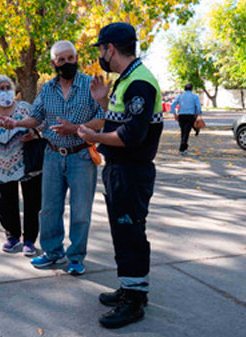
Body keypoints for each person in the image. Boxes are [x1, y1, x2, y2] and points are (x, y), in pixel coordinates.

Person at [77, 22, 163, 329]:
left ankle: (135, 301)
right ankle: (130, 287)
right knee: (122, 232)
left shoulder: (140, 82)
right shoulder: (125, 80)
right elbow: (118, 122)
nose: (100, 54)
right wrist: (103, 102)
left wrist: (93, 136)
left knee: (130, 233)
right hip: (119, 171)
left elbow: (130, 135)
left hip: (131, 171)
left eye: (100, 48)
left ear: (110, 48)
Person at [0, 41, 108, 276]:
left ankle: (76, 258)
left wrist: (76, 128)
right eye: (61, 60)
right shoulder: (47, 90)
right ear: (53, 63)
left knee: (80, 212)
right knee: (48, 209)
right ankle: (52, 252)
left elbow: (101, 120)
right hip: (52, 156)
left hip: (82, 156)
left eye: (71, 58)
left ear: (76, 58)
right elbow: (35, 118)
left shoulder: (91, 85)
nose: (67, 63)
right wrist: (16, 123)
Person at [0, 75, 42, 256]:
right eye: (0, 88)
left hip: (26, 163)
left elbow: (40, 125)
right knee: (5, 203)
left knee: (32, 203)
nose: (4, 91)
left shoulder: (24, 108)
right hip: (0, 165)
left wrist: (32, 131)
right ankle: (12, 235)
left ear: (13, 90)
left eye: (7, 87)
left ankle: (29, 239)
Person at [170, 83, 203, 154]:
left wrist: (175, 114)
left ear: (184, 89)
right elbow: (199, 107)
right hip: (190, 116)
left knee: (183, 131)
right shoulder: (195, 96)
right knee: (187, 131)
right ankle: (182, 148)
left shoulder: (180, 96)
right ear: (192, 89)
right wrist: (197, 114)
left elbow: (172, 105)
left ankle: (184, 146)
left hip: (181, 115)